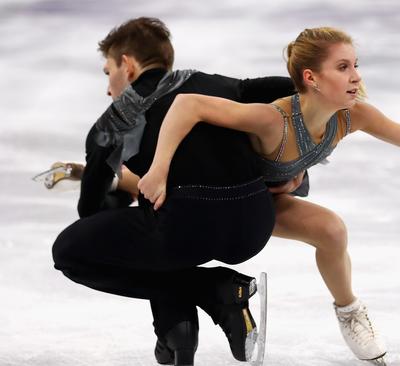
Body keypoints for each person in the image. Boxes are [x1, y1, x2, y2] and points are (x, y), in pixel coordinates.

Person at [138, 26, 400, 363]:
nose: (356, 77)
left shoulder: (354, 116)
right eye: (344, 67)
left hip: (264, 199)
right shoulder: (272, 118)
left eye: (356, 66)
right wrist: (157, 171)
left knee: (331, 230)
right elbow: (188, 104)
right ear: (311, 78)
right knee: (141, 188)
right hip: (220, 197)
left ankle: (350, 312)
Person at [51, 17, 295, 366]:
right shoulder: (222, 84)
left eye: (108, 72)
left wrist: (114, 202)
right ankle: (177, 331)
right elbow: (302, 95)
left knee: (70, 252)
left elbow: (89, 215)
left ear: (128, 65)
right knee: (156, 230)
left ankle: (212, 290)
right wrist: (294, 168)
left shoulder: (112, 123)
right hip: (255, 224)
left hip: (189, 231)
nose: (108, 88)